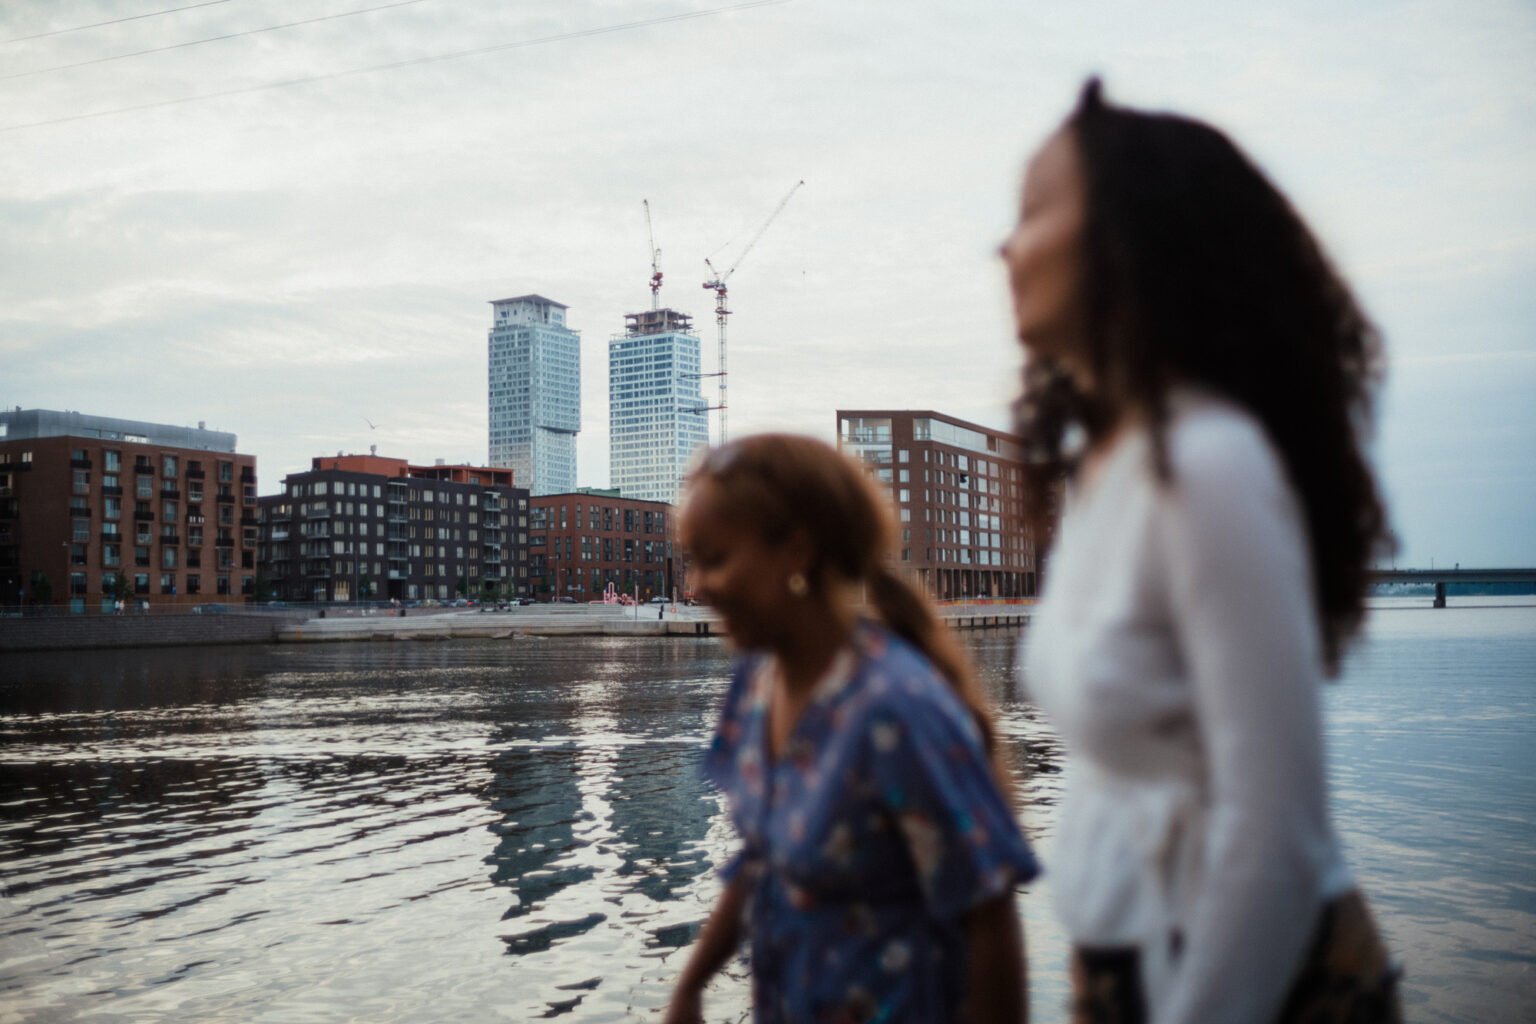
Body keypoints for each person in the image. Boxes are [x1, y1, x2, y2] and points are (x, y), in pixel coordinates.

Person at [1001, 79, 1400, 1023]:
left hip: (1261, 981)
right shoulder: (1106, 469)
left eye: (1035, 213)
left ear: (1134, 237)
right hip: (1133, 969)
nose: (1005, 246)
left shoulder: (1209, 465)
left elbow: (1274, 839)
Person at [664, 434, 1039, 1024]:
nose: (696, 588)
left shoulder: (896, 710)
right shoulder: (755, 687)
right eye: (693, 562)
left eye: (714, 559)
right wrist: (691, 985)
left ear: (796, 550)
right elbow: (761, 857)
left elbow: (987, 913)